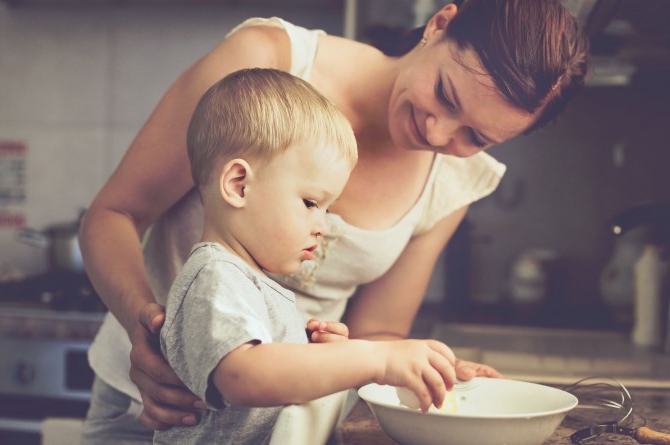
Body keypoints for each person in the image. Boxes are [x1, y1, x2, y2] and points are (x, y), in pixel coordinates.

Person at [79, 0, 590, 442]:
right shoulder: (268, 63)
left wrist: (426, 369)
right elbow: (113, 214)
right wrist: (147, 334)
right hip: (154, 410)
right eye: (447, 95)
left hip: (284, 428)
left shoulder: (457, 179)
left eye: (476, 136)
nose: (439, 135)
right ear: (439, 24)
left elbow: (378, 334)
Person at [150, 68, 457, 445]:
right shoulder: (214, 277)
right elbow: (242, 376)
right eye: (311, 203)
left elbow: (272, 377)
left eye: (327, 209)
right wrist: (371, 359)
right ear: (238, 185)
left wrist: (320, 356)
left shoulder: (250, 283)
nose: (323, 226)